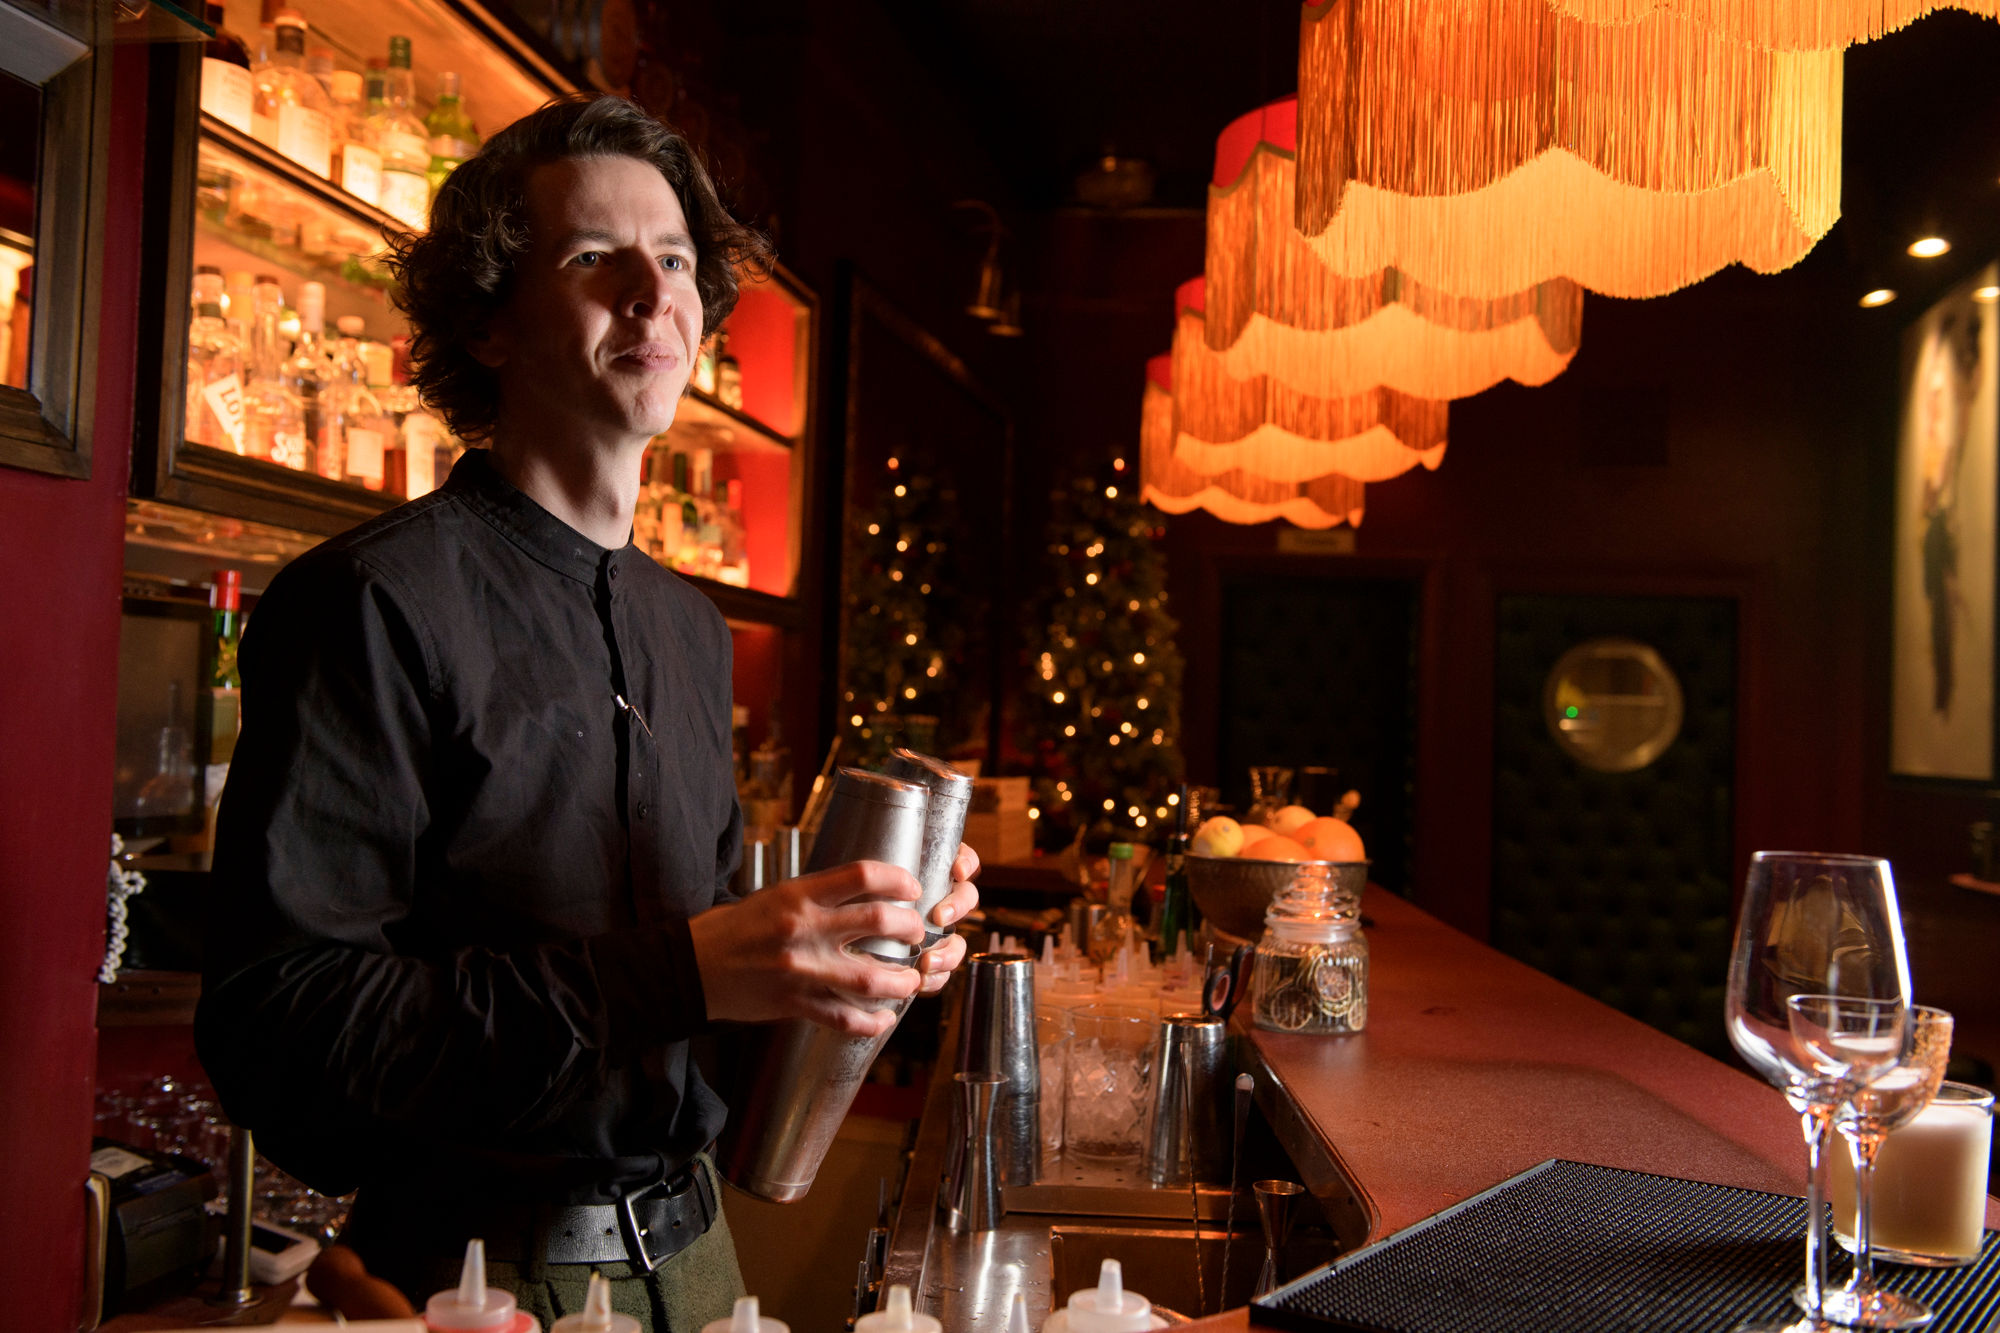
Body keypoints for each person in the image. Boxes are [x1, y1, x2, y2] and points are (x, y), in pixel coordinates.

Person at [195, 94, 978, 1327]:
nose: (651, 292)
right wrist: (675, 973)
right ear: (489, 322)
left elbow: (703, 1012)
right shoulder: (367, 602)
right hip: (472, 1276)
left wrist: (851, 961)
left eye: (673, 259)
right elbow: (283, 1036)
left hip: (702, 1262)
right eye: (590, 258)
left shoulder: (687, 628)